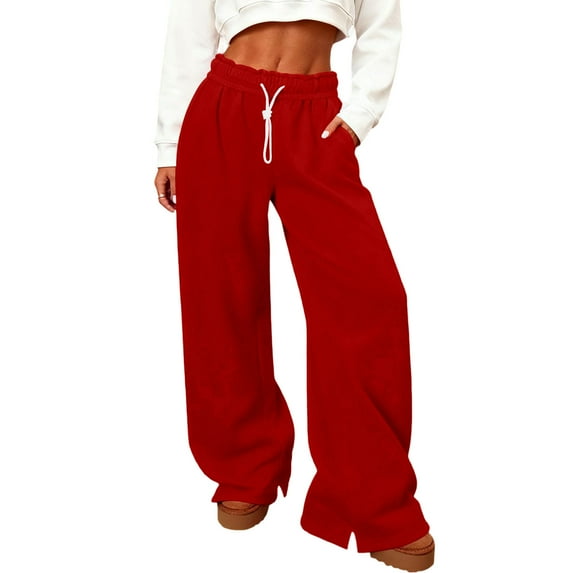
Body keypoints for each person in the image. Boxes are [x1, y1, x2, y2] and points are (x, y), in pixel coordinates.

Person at [153, 1, 435, 570]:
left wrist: (359, 116)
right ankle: (245, 467)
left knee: (370, 304)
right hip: (222, 109)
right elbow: (188, 32)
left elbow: (381, 29)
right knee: (221, 298)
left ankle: (374, 499)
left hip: (316, 121)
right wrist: (170, 145)